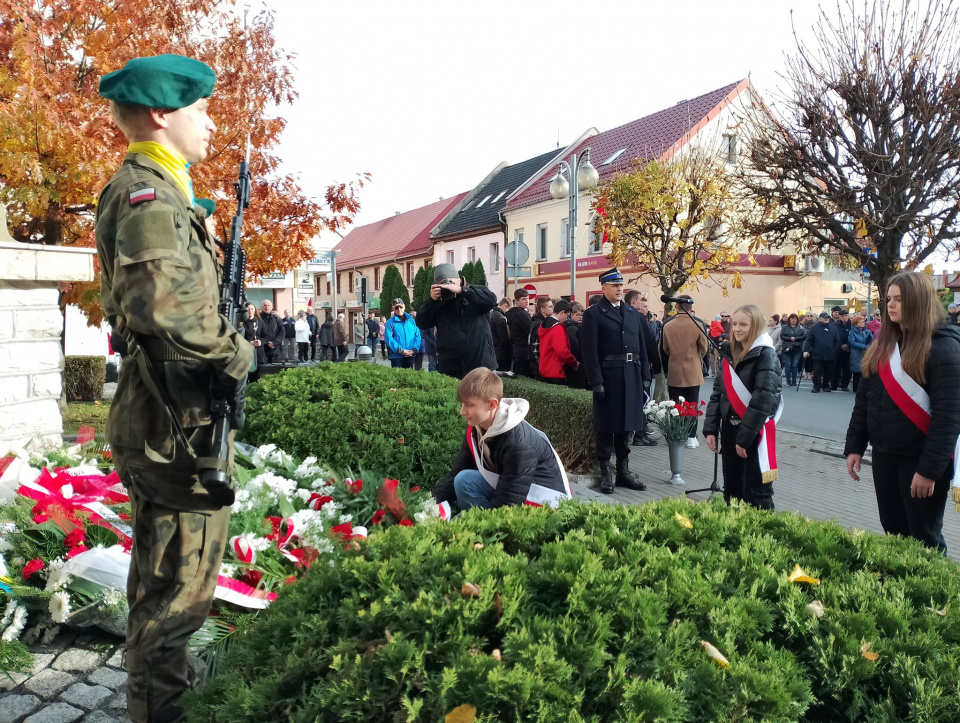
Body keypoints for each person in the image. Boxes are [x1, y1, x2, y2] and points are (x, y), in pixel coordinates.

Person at [95, 54, 254, 722]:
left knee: (162, 590)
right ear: (162, 114)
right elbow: (167, 308)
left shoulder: (165, 191)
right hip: (173, 431)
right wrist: (237, 353)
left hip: (172, 420)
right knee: (174, 603)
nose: (211, 122)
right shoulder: (149, 195)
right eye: (201, 109)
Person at [844, 272, 960, 553]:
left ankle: (931, 594)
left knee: (924, 539)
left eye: (899, 299)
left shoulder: (944, 347)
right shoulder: (884, 344)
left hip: (921, 462)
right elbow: (864, 402)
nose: (890, 305)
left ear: (919, 302)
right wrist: (855, 446)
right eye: (888, 299)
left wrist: (929, 471)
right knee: (894, 531)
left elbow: (948, 418)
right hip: (885, 455)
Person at [432, 368, 572, 511]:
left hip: (544, 504)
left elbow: (508, 504)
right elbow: (458, 470)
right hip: (513, 491)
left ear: (492, 404)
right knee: (463, 479)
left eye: (469, 405)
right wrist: (429, 507)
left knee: (466, 483)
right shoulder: (477, 427)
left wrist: (458, 526)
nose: (462, 411)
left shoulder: (519, 444)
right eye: (462, 403)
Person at [704, 305, 782, 510]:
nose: (736, 329)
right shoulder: (730, 352)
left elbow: (763, 399)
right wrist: (711, 428)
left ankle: (761, 538)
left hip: (754, 433)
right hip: (730, 430)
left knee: (756, 493)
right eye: (735, 324)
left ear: (755, 326)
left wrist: (745, 438)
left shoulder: (766, 355)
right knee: (733, 491)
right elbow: (718, 393)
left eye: (743, 325)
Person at [581, 268, 648, 494]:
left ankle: (623, 473)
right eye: (614, 285)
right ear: (604, 288)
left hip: (631, 374)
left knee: (626, 426)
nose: (620, 289)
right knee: (606, 427)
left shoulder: (631, 312)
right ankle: (606, 474)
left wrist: (645, 377)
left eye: (621, 285)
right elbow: (589, 352)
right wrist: (596, 381)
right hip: (609, 378)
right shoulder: (594, 314)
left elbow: (642, 346)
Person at [416, 263, 497, 379]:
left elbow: (491, 300)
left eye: (450, 282)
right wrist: (431, 301)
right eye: (442, 283)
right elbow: (421, 323)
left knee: (485, 396)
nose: (447, 286)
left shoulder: (474, 291)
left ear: (459, 280)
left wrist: (462, 290)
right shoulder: (438, 303)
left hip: (481, 365)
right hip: (451, 368)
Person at [660, 295, 709, 448]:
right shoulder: (698, 323)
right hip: (693, 370)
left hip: (674, 369)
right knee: (692, 404)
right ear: (690, 307)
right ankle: (691, 436)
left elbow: (664, 349)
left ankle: (676, 433)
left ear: (676, 307)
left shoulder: (667, 325)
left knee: (675, 405)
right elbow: (704, 348)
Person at [625, 290, 660, 446]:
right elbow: (649, 343)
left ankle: (639, 432)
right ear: (634, 302)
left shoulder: (626, 315)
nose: (645, 307)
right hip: (640, 365)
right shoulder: (638, 318)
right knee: (643, 400)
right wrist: (656, 363)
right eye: (642, 303)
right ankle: (640, 434)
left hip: (631, 365)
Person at [537, 299, 578, 384]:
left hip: (545, 369)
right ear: (562, 312)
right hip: (556, 371)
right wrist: (574, 362)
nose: (567, 319)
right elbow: (561, 351)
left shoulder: (544, 324)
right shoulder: (557, 328)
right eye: (567, 315)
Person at [802, 312, 840, 393]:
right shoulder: (814, 328)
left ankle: (826, 385)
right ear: (820, 319)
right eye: (825, 317)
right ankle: (816, 386)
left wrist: (834, 351)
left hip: (830, 353)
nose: (827, 319)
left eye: (828, 318)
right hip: (817, 353)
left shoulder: (833, 328)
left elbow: (837, 341)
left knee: (828, 371)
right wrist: (806, 350)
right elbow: (809, 341)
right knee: (817, 371)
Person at [385, 298, 421, 369]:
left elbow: (417, 336)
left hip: (410, 354)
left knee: (409, 377)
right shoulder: (389, 323)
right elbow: (388, 338)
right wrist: (401, 350)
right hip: (396, 356)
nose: (399, 309)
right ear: (393, 309)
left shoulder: (411, 321)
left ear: (404, 307)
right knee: (398, 377)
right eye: (396, 307)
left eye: (400, 307)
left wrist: (414, 349)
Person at [505, 289, 533, 376]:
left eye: (527, 298)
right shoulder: (522, 314)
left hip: (516, 349)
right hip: (524, 351)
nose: (527, 301)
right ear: (516, 301)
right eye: (523, 299)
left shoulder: (511, 313)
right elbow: (530, 331)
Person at [527, 296, 554, 379]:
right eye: (550, 306)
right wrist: (541, 364)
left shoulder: (539, 322)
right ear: (542, 309)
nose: (553, 308)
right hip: (538, 365)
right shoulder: (539, 324)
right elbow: (535, 346)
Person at [238, 301, 264, 382]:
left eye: (252, 309)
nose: (250, 311)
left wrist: (260, 341)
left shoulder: (260, 321)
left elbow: (266, 336)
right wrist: (248, 343)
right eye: (248, 309)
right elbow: (238, 337)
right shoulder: (241, 323)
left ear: (255, 310)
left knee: (257, 375)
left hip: (258, 352)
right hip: (246, 351)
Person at [564, 302, 587, 389]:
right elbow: (575, 347)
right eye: (578, 315)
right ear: (572, 314)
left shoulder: (579, 326)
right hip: (575, 364)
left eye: (582, 315)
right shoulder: (571, 328)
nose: (580, 317)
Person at [780, 313, 807, 387]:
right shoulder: (785, 327)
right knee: (788, 365)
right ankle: (788, 380)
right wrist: (790, 339)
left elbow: (804, 336)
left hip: (797, 348)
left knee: (795, 364)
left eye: (795, 319)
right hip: (787, 348)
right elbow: (782, 336)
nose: (793, 320)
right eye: (792, 319)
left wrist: (796, 338)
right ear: (789, 319)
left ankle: (794, 380)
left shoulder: (801, 327)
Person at [831, 308, 852, 391]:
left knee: (847, 369)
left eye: (846, 316)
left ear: (848, 316)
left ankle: (845, 385)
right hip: (838, 350)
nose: (844, 317)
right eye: (842, 316)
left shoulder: (852, 325)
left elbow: (853, 337)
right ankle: (834, 384)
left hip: (848, 350)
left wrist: (848, 345)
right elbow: (834, 337)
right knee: (835, 368)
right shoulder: (835, 326)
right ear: (840, 317)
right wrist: (840, 345)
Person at [490, 298, 512, 372]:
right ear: (505, 305)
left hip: (493, 352)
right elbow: (504, 339)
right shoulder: (501, 318)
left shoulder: (491, 314)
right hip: (501, 353)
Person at [258, 300, 282, 364]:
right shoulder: (258, 318)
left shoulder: (277, 318)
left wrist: (274, 342)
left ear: (272, 307)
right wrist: (266, 342)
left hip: (275, 348)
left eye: (268, 305)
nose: (267, 307)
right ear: (261, 307)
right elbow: (257, 333)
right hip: (263, 348)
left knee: (276, 370)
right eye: (265, 305)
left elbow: (282, 332)